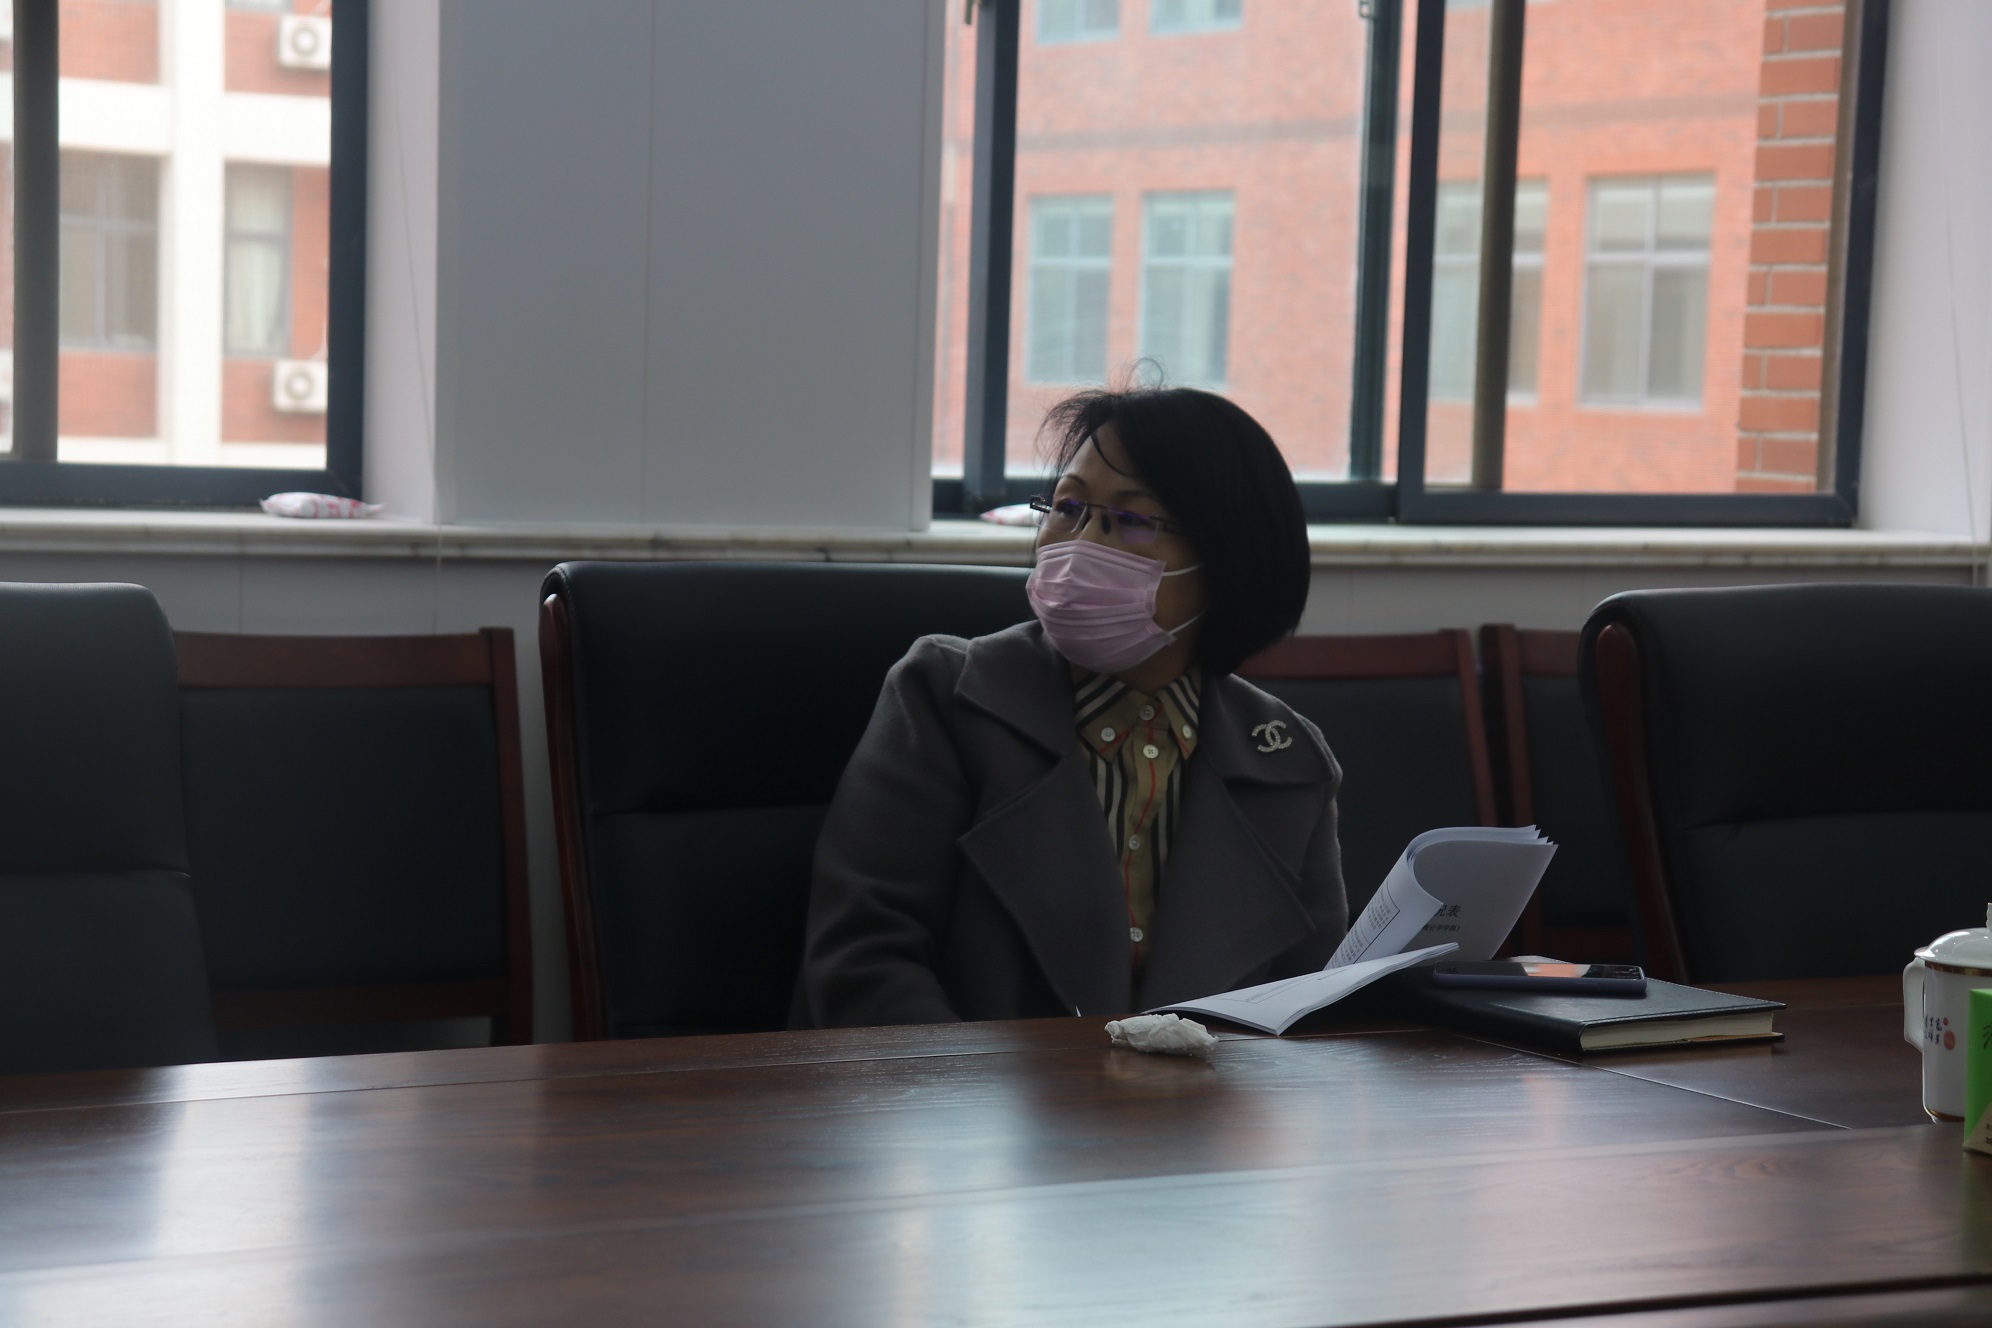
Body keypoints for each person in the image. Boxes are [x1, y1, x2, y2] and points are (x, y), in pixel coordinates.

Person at [794, 386, 1347, 1027]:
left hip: (1208, 1091)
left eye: (1132, 519)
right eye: (1068, 507)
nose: (1081, 542)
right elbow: (864, 961)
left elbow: (1311, 1001)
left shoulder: (1287, 759)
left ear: (1228, 560)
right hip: (957, 1086)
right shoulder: (946, 697)